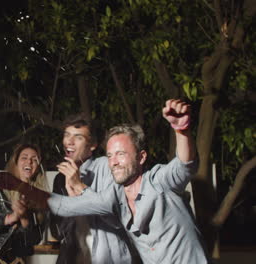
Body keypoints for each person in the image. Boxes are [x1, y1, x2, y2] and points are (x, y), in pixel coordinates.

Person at [49, 99, 209, 263]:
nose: (113, 162)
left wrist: (182, 131)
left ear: (141, 157)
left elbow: (184, 166)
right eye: (110, 155)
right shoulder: (115, 196)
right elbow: (66, 206)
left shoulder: (158, 181)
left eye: (121, 154)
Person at [50, 114, 137, 264]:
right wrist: (71, 201)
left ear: (92, 145)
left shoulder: (106, 167)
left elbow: (119, 219)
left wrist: (79, 187)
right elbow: (57, 232)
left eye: (78, 137)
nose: (69, 142)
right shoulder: (60, 178)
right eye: (67, 135)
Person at [0, 143, 48, 264]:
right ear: (16, 162)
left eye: (34, 159)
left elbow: (33, 241)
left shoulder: (41, 199)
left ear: (38, 166)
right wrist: (9, 219)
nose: (29, 162)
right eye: (24, 157)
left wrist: (24, 219)